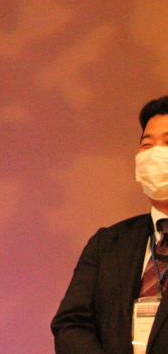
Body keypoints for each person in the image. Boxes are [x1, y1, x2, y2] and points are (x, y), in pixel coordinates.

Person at [52, 96, 168, 354]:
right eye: (147, 145)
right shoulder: (107, 243)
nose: (155, 154)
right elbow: (71, 323)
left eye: (167, 143)